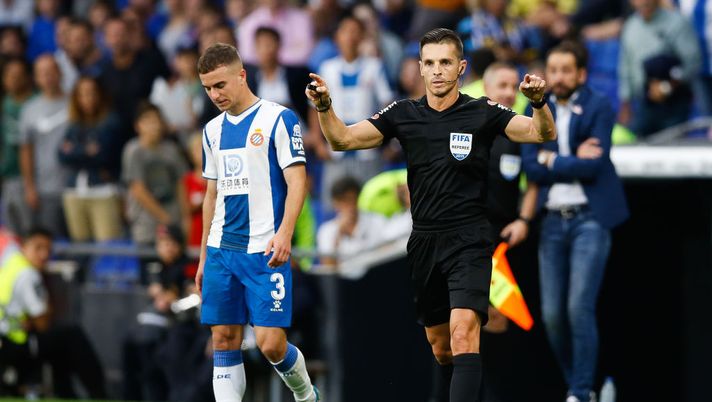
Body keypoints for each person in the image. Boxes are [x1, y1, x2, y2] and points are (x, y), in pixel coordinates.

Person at [306, 27, 555, 401]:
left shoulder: (482, 112)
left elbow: (541, 133)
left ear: (460, 68)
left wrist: (538, 103)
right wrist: (325, 108)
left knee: (463, 332)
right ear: (420, 69)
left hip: (470, 237)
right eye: (430, 63)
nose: (437, 70)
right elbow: (342, 139)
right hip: (424, 241)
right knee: (442, 346)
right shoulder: (403, 114)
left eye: (445, 62)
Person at [195, 43, 320, 402]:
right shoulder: (212, 131)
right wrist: (203, 256)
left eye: (220, 85)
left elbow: (298, 181)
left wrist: (285, 233)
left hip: (265, 250)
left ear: (241, 75)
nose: (214, 94)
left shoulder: (279, 119)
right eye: (207, 88)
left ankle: (306, 394)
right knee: (223, 338)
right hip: (222, 250)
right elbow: (211, 195)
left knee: (270, 345)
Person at [521, 42, 629, 402]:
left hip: (590, 219)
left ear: (581, 73)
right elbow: (531, 166)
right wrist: (565, 159)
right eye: (553, 70)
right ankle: (580, 387)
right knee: (552, 315)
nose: (559, 77)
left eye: (567, 70)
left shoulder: (598, 104)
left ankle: (581, 393)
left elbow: (594, 165)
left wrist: (553, 160)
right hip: (551, 221)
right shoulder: (534, 108)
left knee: (577, 308)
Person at [59, 76, 124, 242]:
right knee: (80, 246)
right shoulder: (73, 124)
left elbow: (103, 156)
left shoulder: (111, 121)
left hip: (103, 191)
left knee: (108, 244)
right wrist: (87, 151)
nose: (87, 99)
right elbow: (61, 155)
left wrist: (75, 151)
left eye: (91, 93)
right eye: (82, 94)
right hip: (75, 191)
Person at [122, 102, 189, 246]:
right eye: (148, 120)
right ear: (137, 125)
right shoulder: (133, 151)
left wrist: (185, 217)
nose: (154, 125)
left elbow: (181, 184)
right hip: (145, 223)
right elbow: (138, 190)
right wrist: (165, 219)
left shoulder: (171, 149)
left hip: (174, 217)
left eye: (157, 120)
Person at [19, 54, 69, 238]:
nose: (48, 77)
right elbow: (26, 150)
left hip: (74, 185)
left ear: (60, 73)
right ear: (36, 78)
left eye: (51, 71)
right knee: (52, 240)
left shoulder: (75, 103)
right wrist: (30, 186)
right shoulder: (29, 109)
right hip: (46, 188)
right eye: (42, 73)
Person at [0, 58, 34, 236]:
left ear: (28, 77)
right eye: (9, 75)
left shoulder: (35, 103)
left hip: (31, 179)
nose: (13, 80)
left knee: (30, 232)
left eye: (18, 75)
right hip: (7, 177)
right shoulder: (4, 104)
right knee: (11, 234)